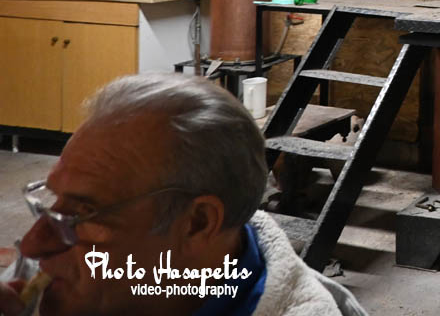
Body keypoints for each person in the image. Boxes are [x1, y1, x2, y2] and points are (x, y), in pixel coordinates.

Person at [0, 74, 366, 316]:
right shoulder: (44, 281)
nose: (31, 245)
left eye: (83, 214)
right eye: (51, 203)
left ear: (197, 223)